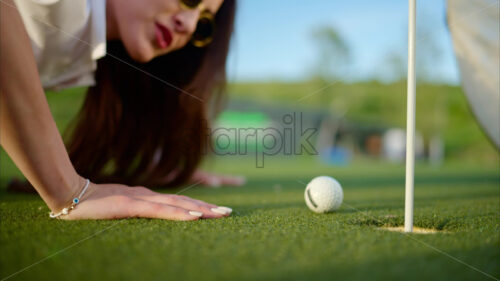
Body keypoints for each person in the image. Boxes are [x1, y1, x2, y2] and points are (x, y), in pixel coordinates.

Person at [0, 0, 244, 221]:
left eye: (203, 22)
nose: (189, 26)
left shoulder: (85, 44)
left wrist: (156, 164)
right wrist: (70, 192)